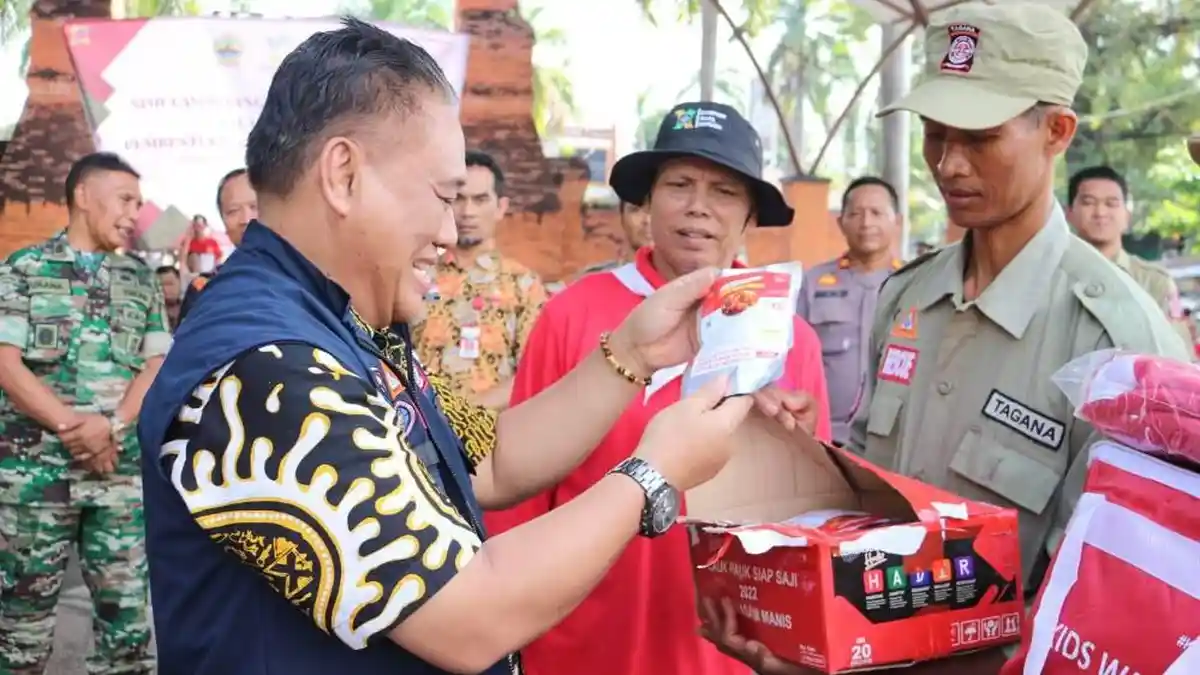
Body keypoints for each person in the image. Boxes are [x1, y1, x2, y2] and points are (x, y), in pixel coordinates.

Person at [136, 20, 807, 675]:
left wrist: (631, 353)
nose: (452, 233)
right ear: (342, 174)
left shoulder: (345, 326)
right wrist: (655, 471)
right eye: (443, 196)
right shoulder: (264, 368)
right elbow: (468, 617)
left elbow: (488, 457)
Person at [700, 3, 1191, 673]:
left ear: (1056, 130)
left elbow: (1129, 609)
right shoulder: (908, 298)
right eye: (934, 134)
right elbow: (882, 514)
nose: (949, 163)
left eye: (979, 137)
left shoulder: (1121, 344)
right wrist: (820, 463)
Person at [484, 101, 831, 675]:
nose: (698, 206)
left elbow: (812, 518)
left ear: (749, 217)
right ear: (645, 203)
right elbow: (514, 495)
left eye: (723, 191)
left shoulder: (792, 338)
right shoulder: (573, 313)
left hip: (728, 656)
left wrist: (800, 449)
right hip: (582, 650)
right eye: (679, 184)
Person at [0, 151, 167, 675]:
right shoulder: (25, 269)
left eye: (138, 204)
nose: (133, 213)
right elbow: (5, 363)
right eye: (124, 199)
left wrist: (111, 427)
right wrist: (77, 430)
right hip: (34, 482)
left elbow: (157, 362)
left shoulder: (141, 277)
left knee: (128, 630)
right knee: (20, 631)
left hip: (117, 480)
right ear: (83, 196)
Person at [411, 151, 548, 410]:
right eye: (459, 199)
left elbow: (533, 374)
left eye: (481, 199)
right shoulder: (416, 273)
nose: (468, 212)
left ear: (501, 207)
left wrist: (466, 414)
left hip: (490, 437)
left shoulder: (523, 285)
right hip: (418, 428)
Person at [797, 176, 903, 444]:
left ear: (897, 221)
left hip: (894, 440)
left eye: (877, 213)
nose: (866, 223)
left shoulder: (917, 283)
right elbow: (794, 358)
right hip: (827, 435)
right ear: (841, 222)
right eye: (855, 213)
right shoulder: (812, 282)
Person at [1066, 164, 1192, 351]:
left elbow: (1179, 356)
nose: (1100, 212)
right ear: (1069, 213)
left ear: (1126, 216)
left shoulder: (1155, 282)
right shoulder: (1049, 275)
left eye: (1111, 203)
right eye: (1089, 202)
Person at [177, 167, 258, 322]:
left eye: (255, 207)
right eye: (233, 211)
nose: (246, 219)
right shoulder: (205, 287)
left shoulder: (307, 275)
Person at [577, 199, 653, 276]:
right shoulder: (592, 282)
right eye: (636, 210)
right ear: (621, 217)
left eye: (655, 209)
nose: (648, 220)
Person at [157, 265, 183, 330]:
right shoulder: (151, 313)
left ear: (180, 283)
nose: (165, 289)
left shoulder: (191, 309)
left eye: (170, 284)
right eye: (161, 285)